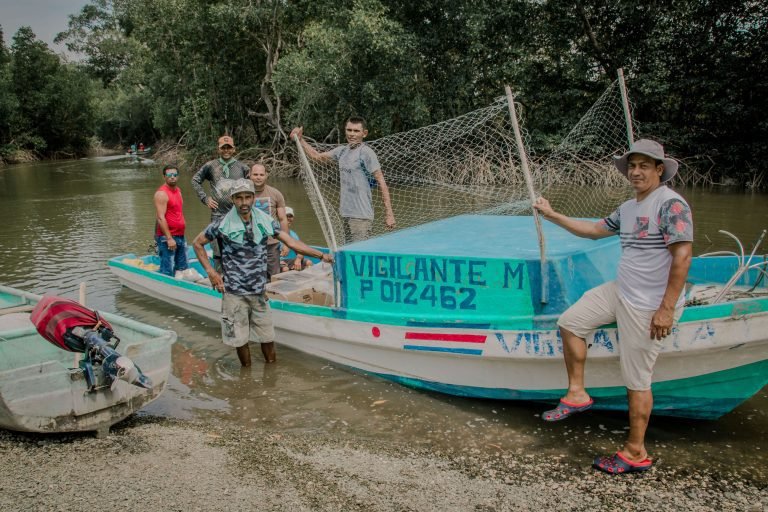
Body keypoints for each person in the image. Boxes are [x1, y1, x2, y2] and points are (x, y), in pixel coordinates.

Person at [532, 139, 693, 475]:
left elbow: (682, 255)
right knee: (571, 321)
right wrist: (551, 215)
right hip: (621, 290)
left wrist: (666, 309)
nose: (635, 172)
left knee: (637, 380)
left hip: (648, 305)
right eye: (631, 166)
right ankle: (577, 393)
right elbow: (592, 230)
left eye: (643, 166)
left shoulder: (670, 205)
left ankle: (636, 452)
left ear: (659, 170)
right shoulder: (629, 208)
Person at [192, 179, 333, 367]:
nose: (244, 202)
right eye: (239, 198)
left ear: (253, 198)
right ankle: (247, 376)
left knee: (267, 337)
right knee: (240, 340)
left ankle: (270, 377)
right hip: (234, 292)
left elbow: (291, 243)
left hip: (259, 291)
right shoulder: (222, 224)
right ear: (233, 199)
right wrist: (211, 272)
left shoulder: (265, 221)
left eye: (247, 197)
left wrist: (322, 255)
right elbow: (197, 243)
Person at [290, 117, 396, 242]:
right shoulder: (341, 151)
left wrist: (389, 214)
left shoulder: (366, 153)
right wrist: (300, 139)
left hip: (361, 216)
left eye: (356, 131)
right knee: (348, 252)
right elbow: (316, 156)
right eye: (349, 130)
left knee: (358, 254)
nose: (352, 134)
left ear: (364, 133)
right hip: (346, 214)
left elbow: (382, 183)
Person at [191, 135, 251, 271]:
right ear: (218, 149)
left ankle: (239, 276)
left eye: (229, 148)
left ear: (234, 149)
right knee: (217, 252)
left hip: (237, 215)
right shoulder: (211, 166)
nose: (226, 150)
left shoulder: (242, 167)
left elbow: (252, 187)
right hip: (218, 215)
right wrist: (205, 198)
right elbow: (195, 180)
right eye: (223, 148)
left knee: (238, 248)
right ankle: (219, 279)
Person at [249, 163, 288, 277]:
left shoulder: (276, 194)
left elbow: (283, 219)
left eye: (261, 174)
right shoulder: (243, 194)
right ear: (249, 175)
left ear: (266, 175)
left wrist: (286, 243)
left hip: (271, 243)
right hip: (250, 243)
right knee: (253, 276)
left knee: (274, 276)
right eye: (255, 174)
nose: (258, 177)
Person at [154, 165, 188, 276]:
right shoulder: (161, 194)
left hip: (180, 236)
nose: (172, 177)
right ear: (164, 176)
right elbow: (160, 217)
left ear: (178, 176)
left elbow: (178, 212)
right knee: (167, 270)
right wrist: (169, 238)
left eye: (175, 175)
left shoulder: (178, 190)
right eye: (169, 175)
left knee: (182, 268)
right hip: (167, 238)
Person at [279, 206, 314, 272]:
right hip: (275, 262)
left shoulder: (293, 234)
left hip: (287, 261)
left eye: (290, 216)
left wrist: (298, 259)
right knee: (285, 269)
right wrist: (277, 261)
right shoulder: (275, 231)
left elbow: (301, 250)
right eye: (286, 216)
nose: (288, 218)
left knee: (308, 263)